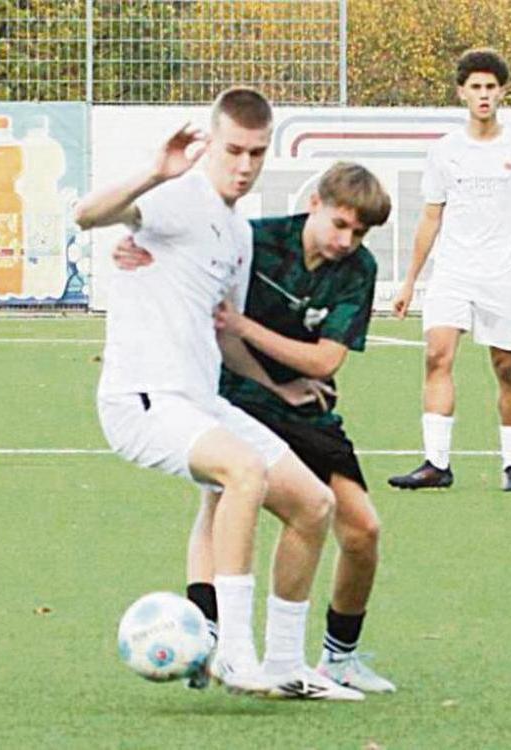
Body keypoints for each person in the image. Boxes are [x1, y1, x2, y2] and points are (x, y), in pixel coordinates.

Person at [76, 87, 362, 700]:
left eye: (256, 152)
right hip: (142, 398)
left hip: (201, 399)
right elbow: (87, 214)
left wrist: (277, 388)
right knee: (243, 471)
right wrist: (154, 171)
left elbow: (223, 328)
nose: (244, 165)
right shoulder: (176, 197)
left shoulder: (237, 231)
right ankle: (230, 650)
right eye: (234, 149)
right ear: (212, 142)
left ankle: (285, 666)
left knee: (314, 506)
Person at [114, 162, 396, 693]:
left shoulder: (359, 270)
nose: (346, 240)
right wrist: (134, 250)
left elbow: (324, 361)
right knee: (222, 497)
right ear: (315, 202)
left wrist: (246, 328)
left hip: (302, 405)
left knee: (362, 529)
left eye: (359, 232)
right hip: (235, 395)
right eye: (340, 224)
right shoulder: (256, 240)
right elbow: (181, 255)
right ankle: (211, 640)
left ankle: (337, 657)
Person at [387, 48, 511, 493]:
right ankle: (436, 464)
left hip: (503, 274)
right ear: (462, 92)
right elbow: (431, 218)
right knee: (437, 355)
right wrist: (410, 282)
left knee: (507, 368)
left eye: (490, 88)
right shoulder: (445, 152)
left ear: (502, 93)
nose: (483, 95)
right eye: (475, 87)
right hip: (453, 273)